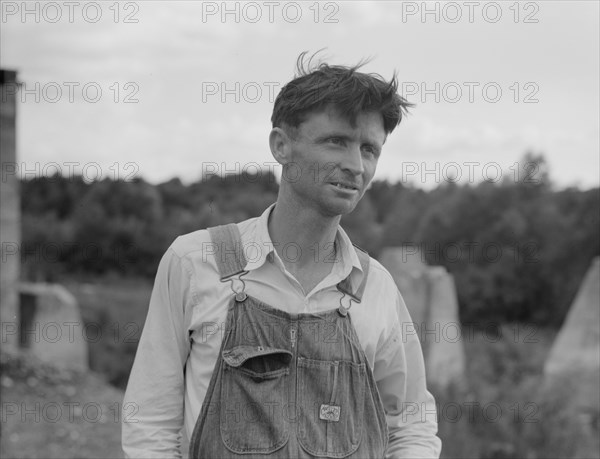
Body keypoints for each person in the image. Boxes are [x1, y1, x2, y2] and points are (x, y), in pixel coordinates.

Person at [122, 52, 442, 458]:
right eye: (336, 141)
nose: (355, 165)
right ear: (281, 146)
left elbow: (411, 425)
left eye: (369, 149)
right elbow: (150, 420)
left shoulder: (375, 286)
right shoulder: (195, 262)